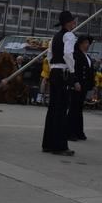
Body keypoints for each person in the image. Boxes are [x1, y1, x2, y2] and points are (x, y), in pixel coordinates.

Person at [41, 10, 78, 156]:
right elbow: (68, 54)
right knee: (62, 109)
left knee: (53, 108)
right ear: (68, 23)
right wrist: (72, 71)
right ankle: (60, 146)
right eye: (72, 21)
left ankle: (48, 143)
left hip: (54, 72)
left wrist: (52, 69)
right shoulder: (69, 35)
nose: (74, 23)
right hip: (63, 72)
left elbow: (49, 56)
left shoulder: (54, 37)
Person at [67, 35, 95, 141]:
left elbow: (90, 72)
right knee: (74, 109)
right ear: (80, 44)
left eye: (88, 43)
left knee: (79, 109)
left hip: (84, 86)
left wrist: (92, 86)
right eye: (86, 43)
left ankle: (79, 131)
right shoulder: (75, 55)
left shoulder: (87, 56)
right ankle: (70, 132)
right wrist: (75, 82)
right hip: (77, 85)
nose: (88, 45)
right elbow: (72, 69)